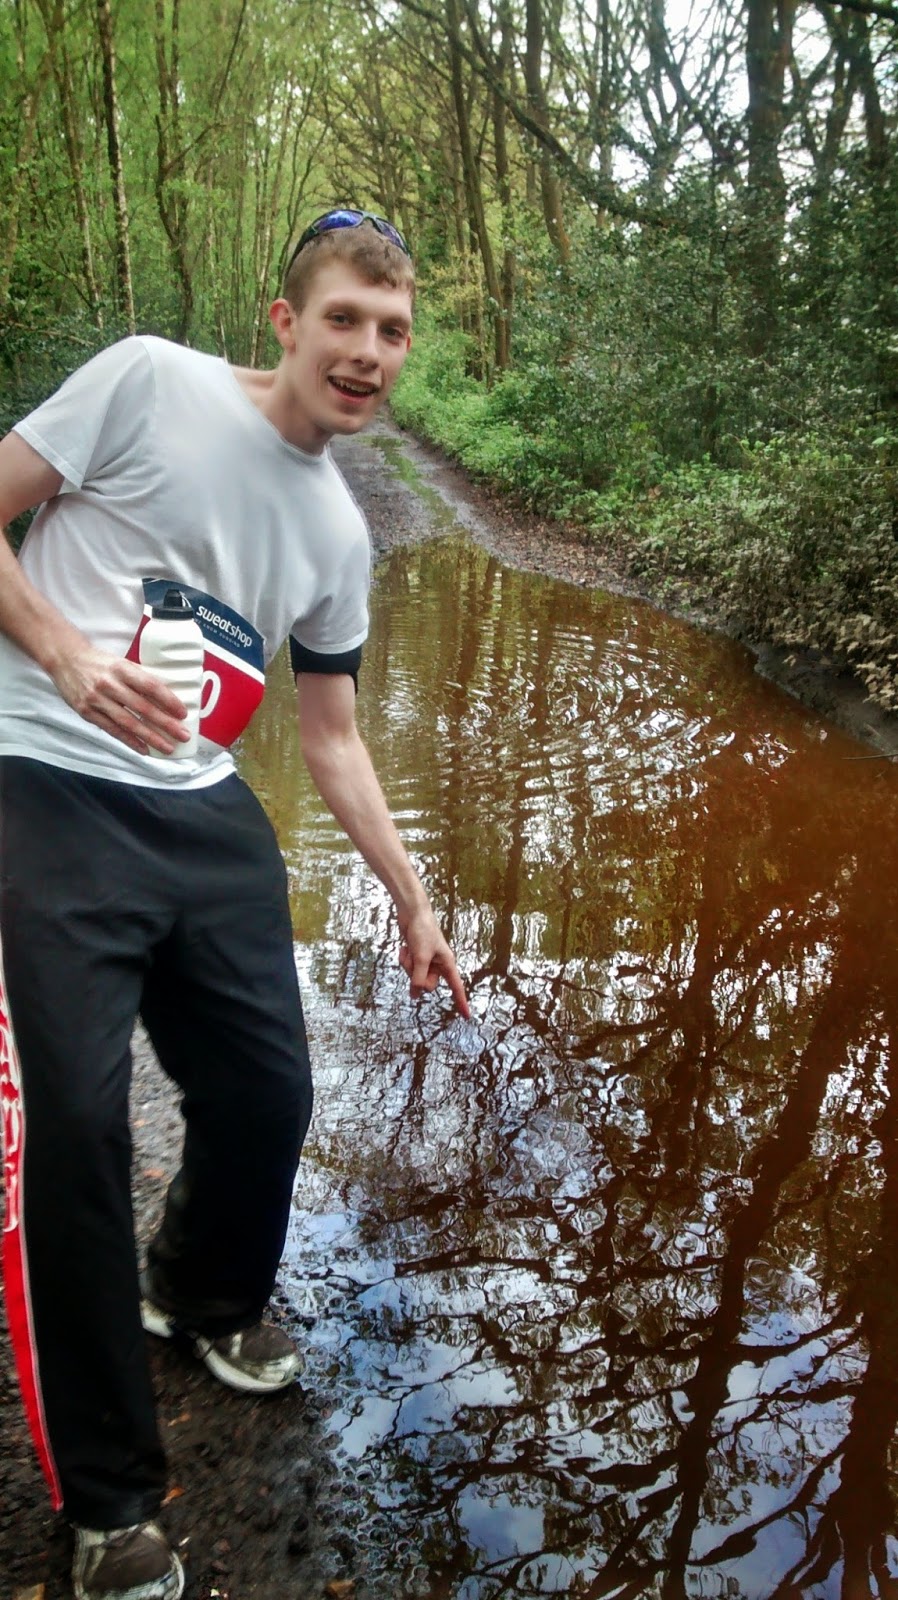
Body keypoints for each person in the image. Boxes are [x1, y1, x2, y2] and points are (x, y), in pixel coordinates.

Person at [0, 209, 469, 1600]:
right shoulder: (148, 381)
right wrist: (63, 653)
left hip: (201, 806)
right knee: (74, 1129)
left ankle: (196, 1293)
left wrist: (413, 896)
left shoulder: (336, 530)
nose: (367, 351)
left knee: (267, 1089)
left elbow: (332, 736)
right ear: (286, 322)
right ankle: (110, 1503)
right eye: (344, 320)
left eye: (392, 332)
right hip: (42, 777)